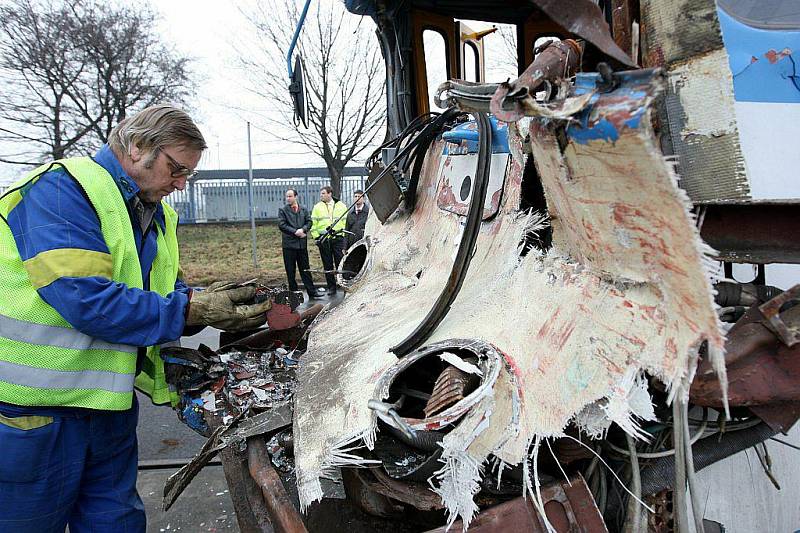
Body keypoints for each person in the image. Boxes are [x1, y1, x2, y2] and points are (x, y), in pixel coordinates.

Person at [0, 104, 271, 532]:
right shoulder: (60, 191)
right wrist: (188, 310)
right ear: (137, 147)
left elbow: (155, 293)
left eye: (188, 175)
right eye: (175, 169)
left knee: (116, 524)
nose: (181, 185)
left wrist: (199, 301)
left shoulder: (151, 212)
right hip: (32, 415)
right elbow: (85, 299)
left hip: (107, 410)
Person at [278, 188, 320, 300]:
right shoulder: (283, 210)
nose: (288, 198)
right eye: (287, 196)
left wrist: (303, 229)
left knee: (305, 269)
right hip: (289, 246)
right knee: (290, 270)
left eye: (290, 196)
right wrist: (295, 232)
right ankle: (294, 293)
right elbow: (282, 225)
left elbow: (309, 222)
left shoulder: (304, 209)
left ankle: (312, 291)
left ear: (296, 197)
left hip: (302, 244)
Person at [310, 185, 348, 295]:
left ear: (329, 194)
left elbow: (346, 222)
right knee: (327, 264)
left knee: (340, 263)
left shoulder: (341, 205)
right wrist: (316, 237)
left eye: (323, 193)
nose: (321, 195)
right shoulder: (317, 207)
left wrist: (343, 235)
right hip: (324, 240)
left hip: (338, 238)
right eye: (321, 193)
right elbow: (313, 224)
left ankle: (344, 285)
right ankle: (331, 287)